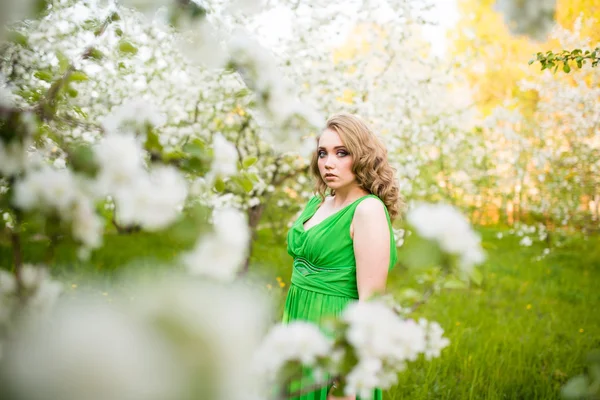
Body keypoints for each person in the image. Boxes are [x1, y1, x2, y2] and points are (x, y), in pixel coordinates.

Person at [282, 112, 402, 400]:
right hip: (298, 323)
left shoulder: (367, 210)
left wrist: (346, 378)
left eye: (341, 152)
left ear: (361, 156)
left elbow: (371, 305)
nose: (328, 163)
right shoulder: (317, 202)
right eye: (322, 153)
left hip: (334, 336)